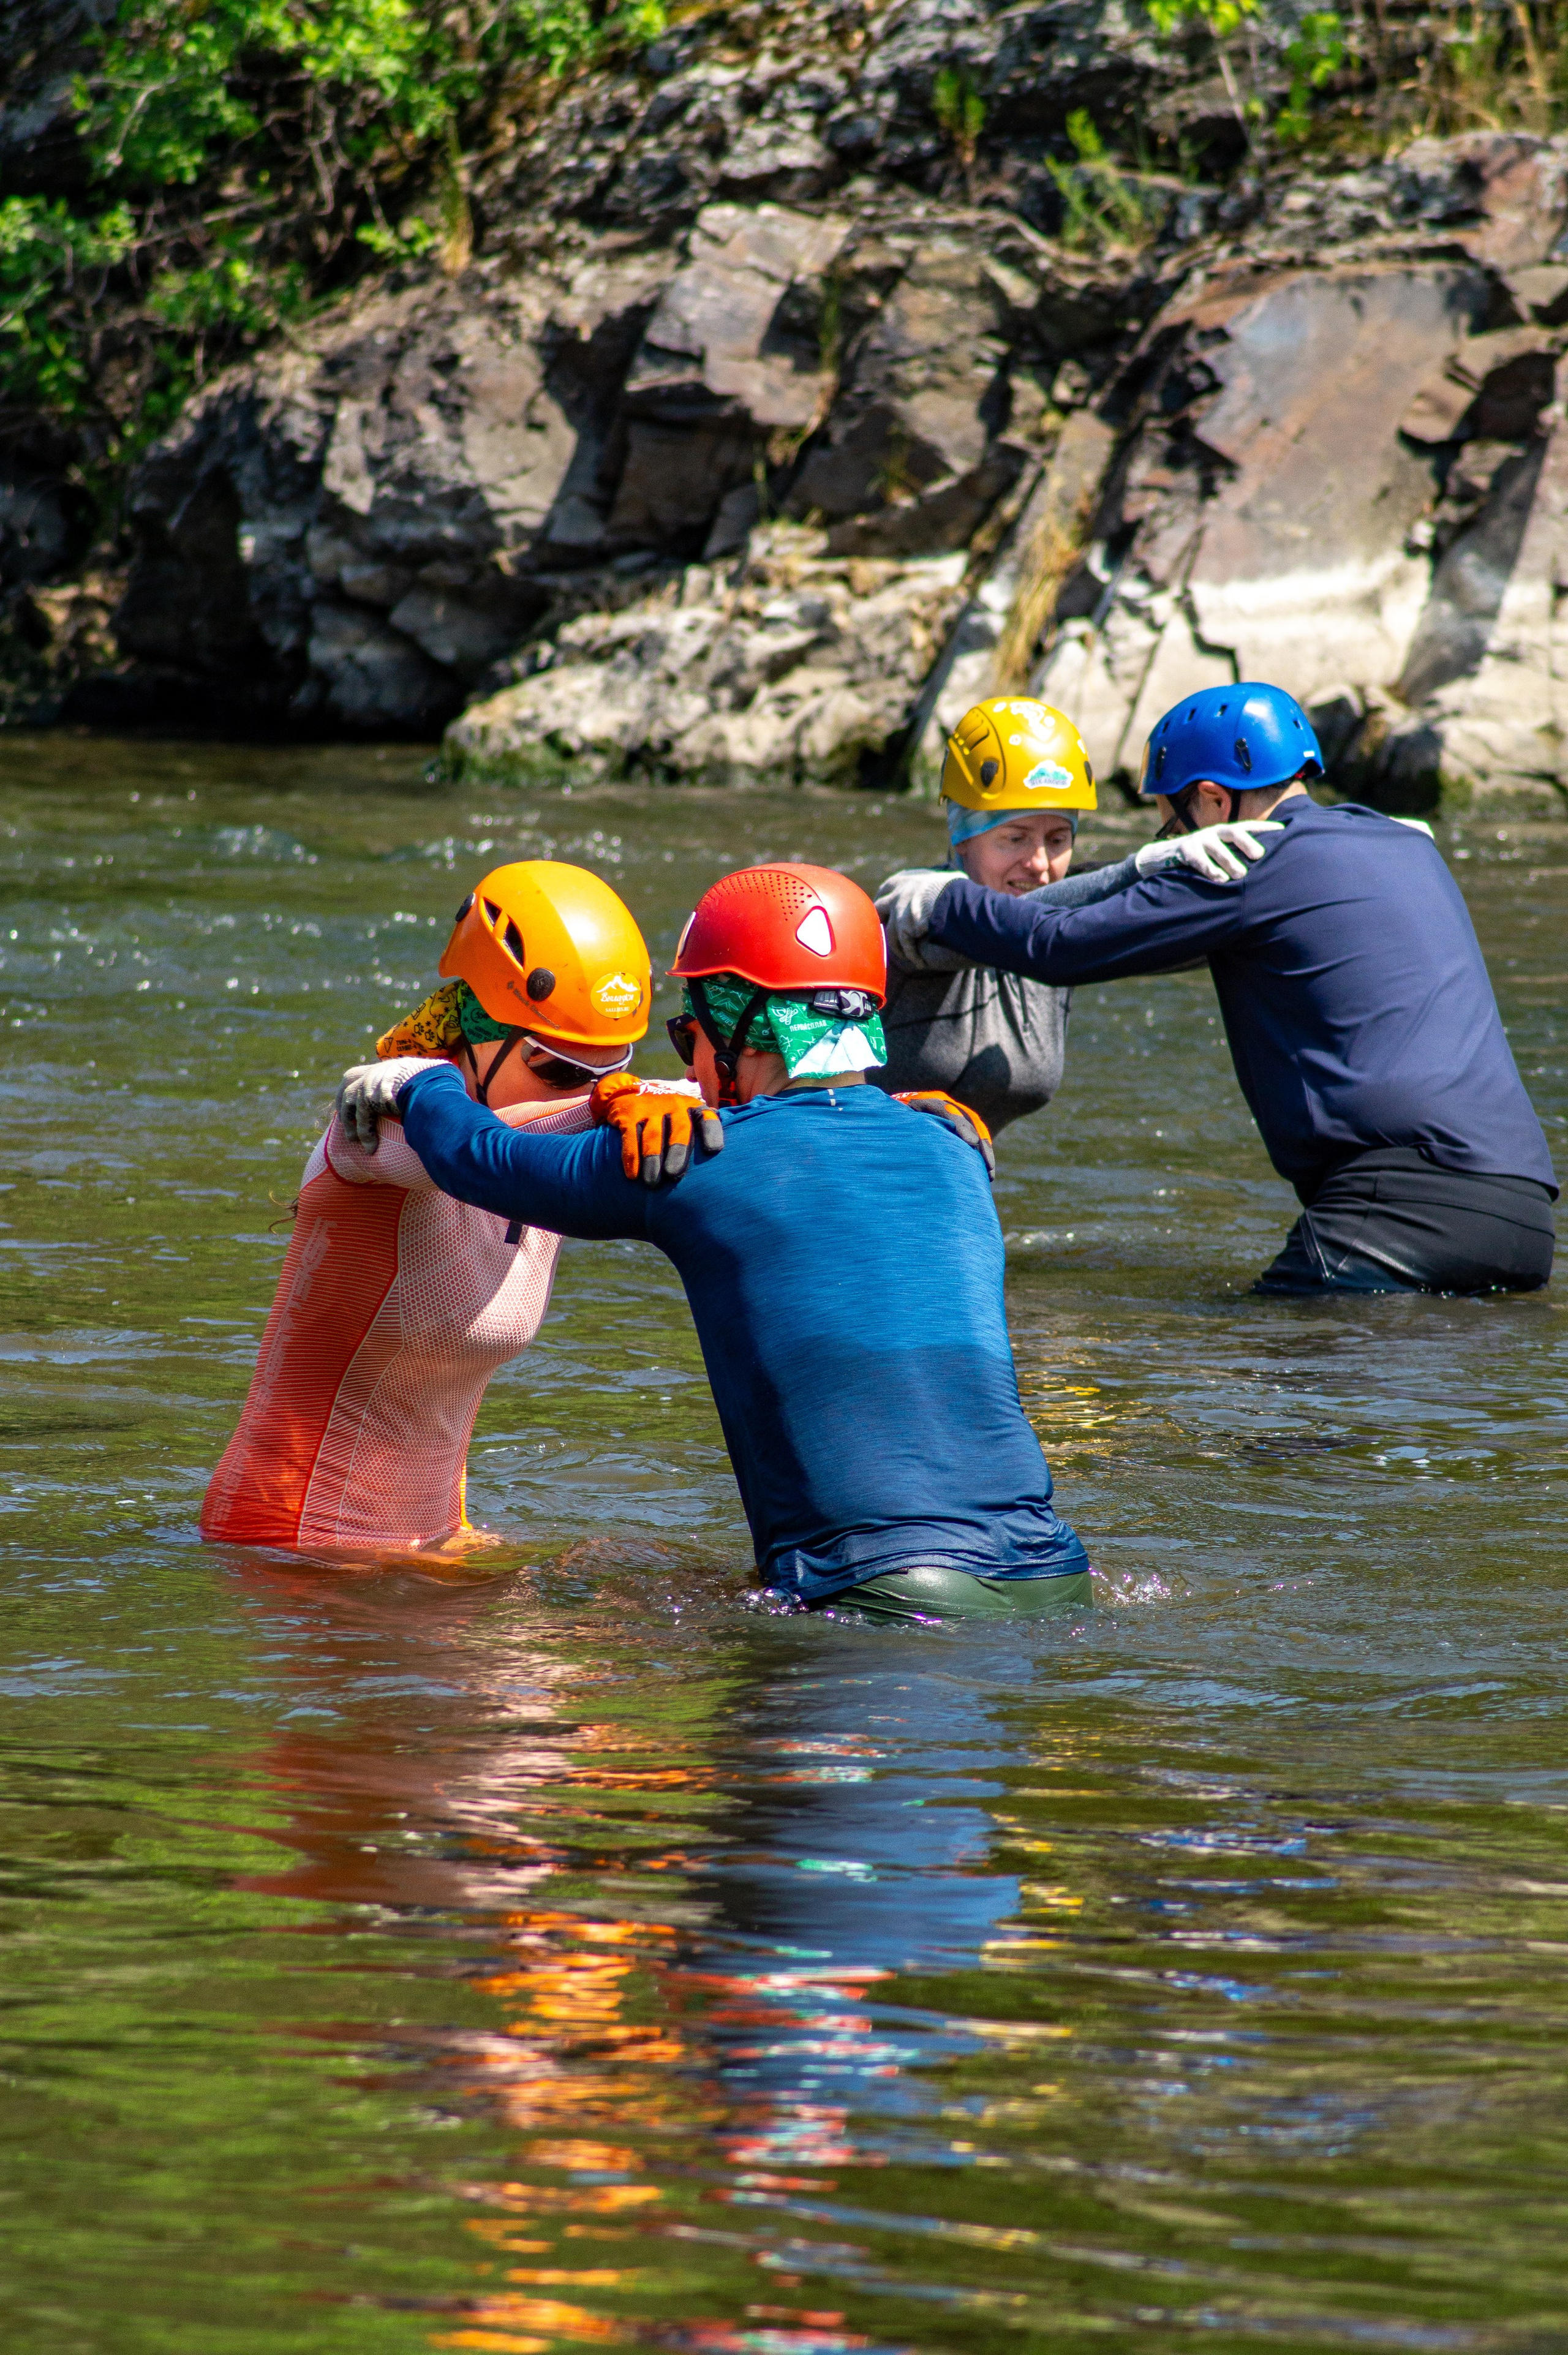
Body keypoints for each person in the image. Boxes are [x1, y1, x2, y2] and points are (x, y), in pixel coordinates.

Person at [335, 863, 1091, 1621]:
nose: (688, 1070)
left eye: (688, 1034)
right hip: (1056, 1578)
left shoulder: (702, 1161)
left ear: (738, 1022)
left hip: (878, 1591)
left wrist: (418, 1082)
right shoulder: (952, 1139)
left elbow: (487, 1161)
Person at [881, 682, 1557, 1294]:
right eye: (1014, 836)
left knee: (1258, 1410)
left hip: (1395, 1210)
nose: (1177, 840)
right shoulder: (1402, 845)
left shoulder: (1243, 859)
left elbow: (1060, 941)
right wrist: (1141, 864)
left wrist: (940, 899)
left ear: (1211, 799)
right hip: (1524, 1216)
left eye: (1175, 822)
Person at [200, 861, 653, 1557]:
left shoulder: (564, 1140)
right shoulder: (379, 1124)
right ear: (476, 1034)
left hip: (433, 1538)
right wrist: (607, 1101)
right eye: (562, 1069)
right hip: (296, 1541)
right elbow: (483, 1148)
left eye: (613, 1068)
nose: (590, 1090)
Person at [873, 696, 1280, 1132]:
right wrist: (1141, 866)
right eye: (1015, 838)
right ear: (961, 835)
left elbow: (1213, 937)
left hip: (956, 1186)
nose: (1039, 863)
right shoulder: (911, 903)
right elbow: (1020, 925)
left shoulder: (1073, 908)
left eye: (1057, 838)